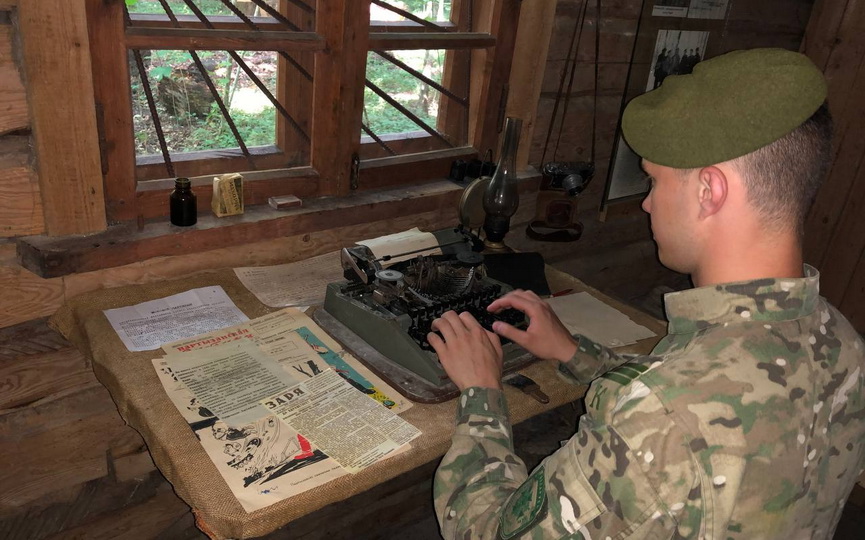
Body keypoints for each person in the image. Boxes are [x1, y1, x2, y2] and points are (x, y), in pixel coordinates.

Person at [429, 48, 865, 539]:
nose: (648, 202)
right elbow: (719, 403)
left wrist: (482, 395)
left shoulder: (659, 417)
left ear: (709, 191)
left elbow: (484, 532)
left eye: (654, 181)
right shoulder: (843, 343)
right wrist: (574, 352)